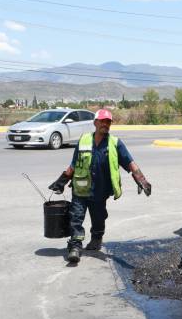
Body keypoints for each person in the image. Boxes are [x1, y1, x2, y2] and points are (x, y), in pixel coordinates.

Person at [48, 109, 152, 264]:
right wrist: (62, 180)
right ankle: (75, 246)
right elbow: (75, 163)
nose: (105, 124)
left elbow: (129, 162)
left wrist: (141, 179)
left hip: (100, 191)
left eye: (108, 122)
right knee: (76, 218)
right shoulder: (83, 140)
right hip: (80, 188)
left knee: (98, 218)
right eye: (102, 121)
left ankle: (96, 238)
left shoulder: (115, 143)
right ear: (95, 122)